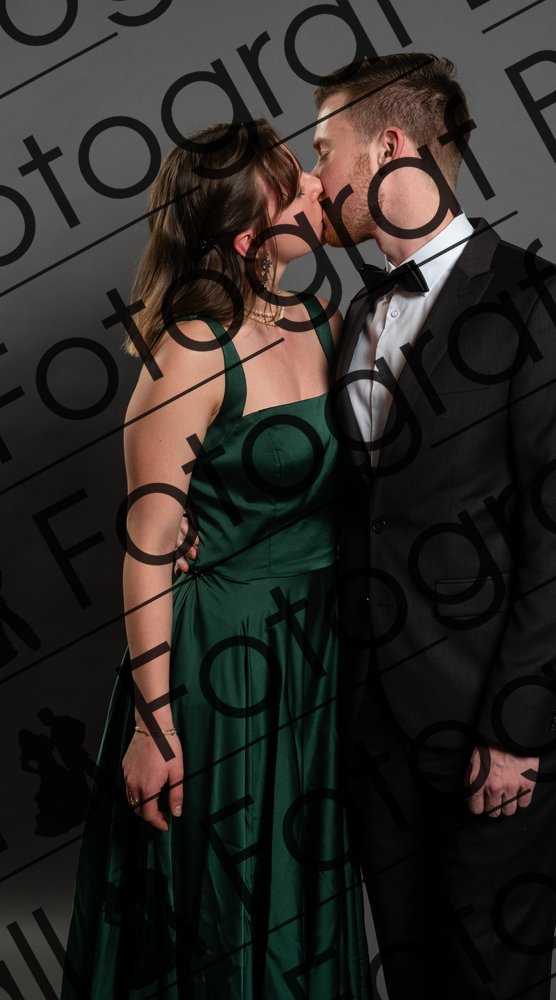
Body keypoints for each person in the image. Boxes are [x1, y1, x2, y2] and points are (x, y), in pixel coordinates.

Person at [307, 53, 556, 999]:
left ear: (387, 147)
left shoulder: (543, 299)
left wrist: (517, 728)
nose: (316, 178)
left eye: (325, 150)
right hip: (374, 724)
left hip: (493, 720)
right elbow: (358, 504)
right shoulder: (359, 311)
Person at [59, 119, 369, 999]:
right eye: (294, 186)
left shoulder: (323, 318)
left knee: (306, 897)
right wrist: (153, 726)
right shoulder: (193, 351)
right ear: (246, 237)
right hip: (225, 666)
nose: (318, 187)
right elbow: (150, 550)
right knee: (229, 912)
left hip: (318, 655)